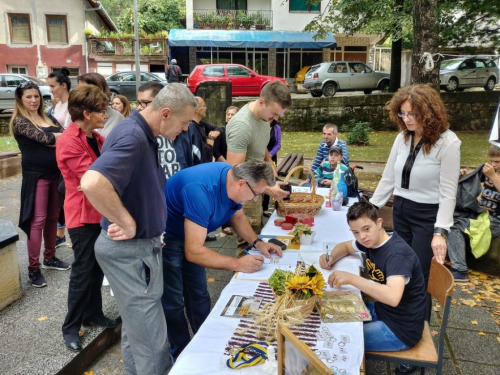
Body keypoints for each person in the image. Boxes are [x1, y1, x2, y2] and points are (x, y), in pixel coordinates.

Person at [80, 83, 197, 375]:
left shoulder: (139, 132)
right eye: (184, 124)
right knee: (153, 342)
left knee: (137, 333)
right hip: (132, 253)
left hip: (137, 251)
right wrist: (127, 222)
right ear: (166, 113)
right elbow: (92, 182)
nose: (184, 130)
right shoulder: (133, 136)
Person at [369, 84, 460, 374]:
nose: (407, 119)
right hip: (402, 212)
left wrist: (440, 231)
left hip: (426, 218)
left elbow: (448, 193)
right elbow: (387, 179)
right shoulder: (402, 137)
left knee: (415, 280)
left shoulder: (449, 143)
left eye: (413, 114)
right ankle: (394, 323)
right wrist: (369, 210)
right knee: (397, 273)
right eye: (403, 113)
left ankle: (411, 346)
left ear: (429, 113)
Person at [161, 161, 283, 360]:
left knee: (199, 293)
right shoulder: (199, 191)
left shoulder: (232, 179)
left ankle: (206, 342)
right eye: (256, 193)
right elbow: (194, 252)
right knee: (173, 302)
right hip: (168, 236)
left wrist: (257, 242)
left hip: (193, 235)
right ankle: (181, 355)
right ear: (242, 184)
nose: (255, 199)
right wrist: (237, 264)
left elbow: (237, 216)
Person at [56, 85, 118, 352]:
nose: (106, 115)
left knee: (97, 266)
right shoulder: (69, 140)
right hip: (82, 215)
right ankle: (70, 327)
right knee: (82, 271)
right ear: (86, 113)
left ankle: (92, 313)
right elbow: (92, 176)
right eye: (101, 111)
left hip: (98, 210)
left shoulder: (96, 137)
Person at [319, 202, 426, 352]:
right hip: (382, 311)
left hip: (401, 330)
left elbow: (393, 298)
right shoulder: (371, 241)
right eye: (355, 232)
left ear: (379, 223)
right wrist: (331, 257)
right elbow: (345, 247)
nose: (362, 237)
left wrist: (352, 278)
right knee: (330, 315)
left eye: (366, 229)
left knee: (339, 338)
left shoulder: (397, 254)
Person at [9, 81, 70, 288]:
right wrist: (55, 138)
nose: (33, 100)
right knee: (38, 220)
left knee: (54, 216)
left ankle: (50, 257)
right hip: (37, 177)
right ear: (20, 99)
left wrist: (54, 138)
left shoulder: (48, 116)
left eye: (36, 96)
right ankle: (33, 269)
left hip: (56, 174)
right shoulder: (19, 121)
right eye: (28, 97)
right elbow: (44, 138)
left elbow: (62, 137)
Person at [226, 81, 292, 256]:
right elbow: (233, 174)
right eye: (274, 113)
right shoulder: (242, 126)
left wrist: (270, 163)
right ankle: (241, 277)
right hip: (244, 192)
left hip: (256, 185)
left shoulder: (264, 116)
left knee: (258, 235)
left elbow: (259, 144)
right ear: (262, 102)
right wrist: (269, 189)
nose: (276, 119)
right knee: (248, 242)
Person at [447, 145, 500, 282]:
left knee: (454, 226)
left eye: (498, 162)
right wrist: (461, 177)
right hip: (480, 215)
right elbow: (470, 183)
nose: (494, 165)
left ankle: (460, 270)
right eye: (492, 161)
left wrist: (493, 176)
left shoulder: (492, 174)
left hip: (495, 221)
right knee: (448, 218)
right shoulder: (490, 172)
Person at [47, 67, 72, 247]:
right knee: (58, 194)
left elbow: (69, 132)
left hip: (67, 154)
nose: (50, 90)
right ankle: (60, 233)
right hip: (56, 154)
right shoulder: (59, 104)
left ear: (63, 85)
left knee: (64, 193)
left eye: (53, 86)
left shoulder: (72, 105)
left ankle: (64, 232)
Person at [214, 106, 240, 235]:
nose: (230, 117)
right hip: (223, 168)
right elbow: (216, 151)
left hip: (237, 168)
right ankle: (225, 224)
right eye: (228, 114)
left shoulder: (240, 131)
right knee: (224, 196)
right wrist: (228, 164)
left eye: (233, 114)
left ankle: (237, 221)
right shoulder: (220, 132)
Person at [77, 73, 124, 138]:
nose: (81, 94)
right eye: (79, 90)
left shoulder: (117, 117)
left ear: (101, 91)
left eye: (86, 91)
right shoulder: (75, 114)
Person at [262, 119, 282, 217]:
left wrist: (269, 155)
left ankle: (265, 208)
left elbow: (278, 144)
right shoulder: (259, 126)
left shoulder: (276, 128)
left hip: (271, 158)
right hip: (259, 157)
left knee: (269, 180)